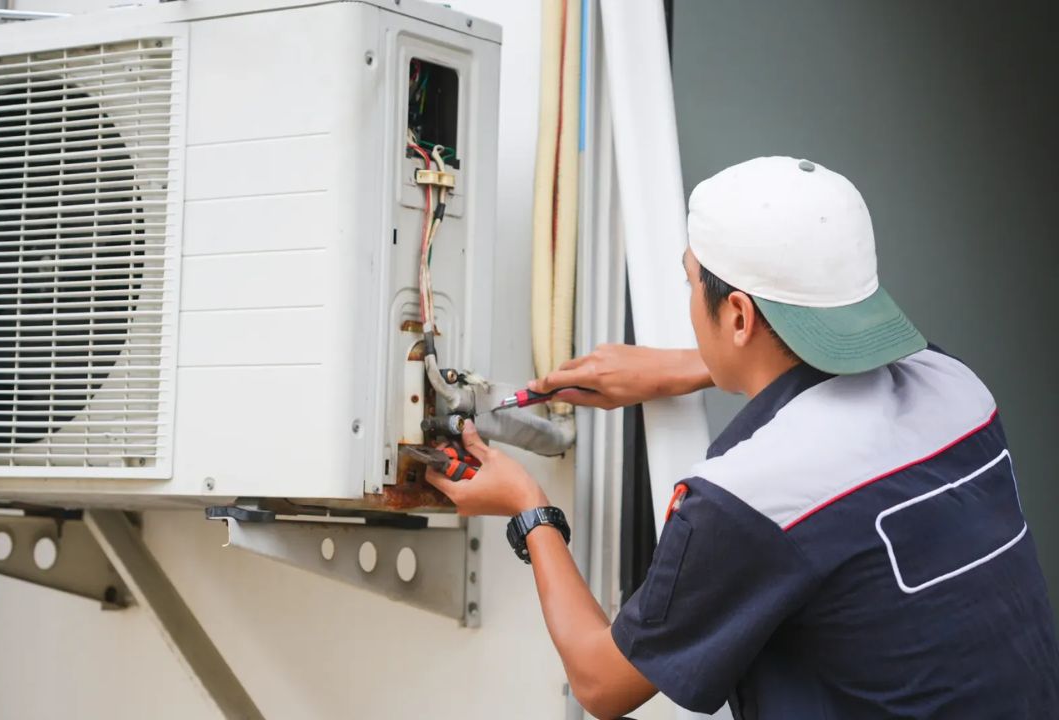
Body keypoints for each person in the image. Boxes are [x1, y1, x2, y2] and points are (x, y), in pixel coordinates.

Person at [425, 157, 1059, 719]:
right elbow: (841, 371)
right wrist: (690, 367)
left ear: (737, 317)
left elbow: (600, 683)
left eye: (688, 281)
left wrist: (528, 508)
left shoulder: (751, 499)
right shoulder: (956, 388)